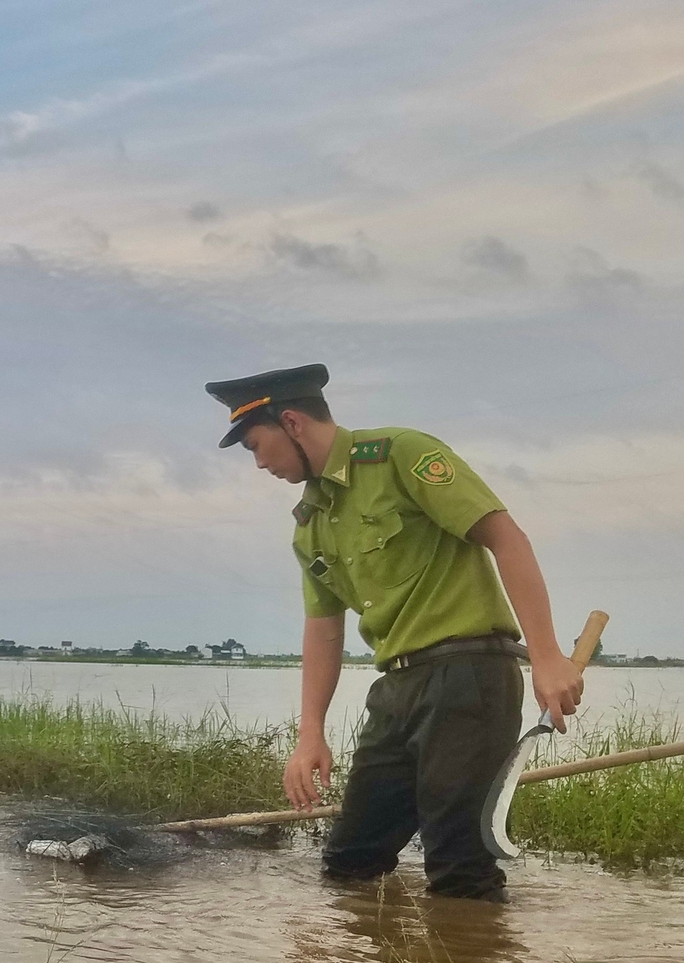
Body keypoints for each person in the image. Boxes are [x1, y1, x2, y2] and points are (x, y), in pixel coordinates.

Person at [206, 364, 584, 900]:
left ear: (291, 422)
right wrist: (309, 732)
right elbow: (323, 627)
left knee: (459, 869)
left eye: (255, 444)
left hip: (468, 677)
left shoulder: (400, 455)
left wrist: (546, 657)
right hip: (396, 690)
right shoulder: (310, 521)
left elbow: (507, 537)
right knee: (348, 865)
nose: (259, 461)